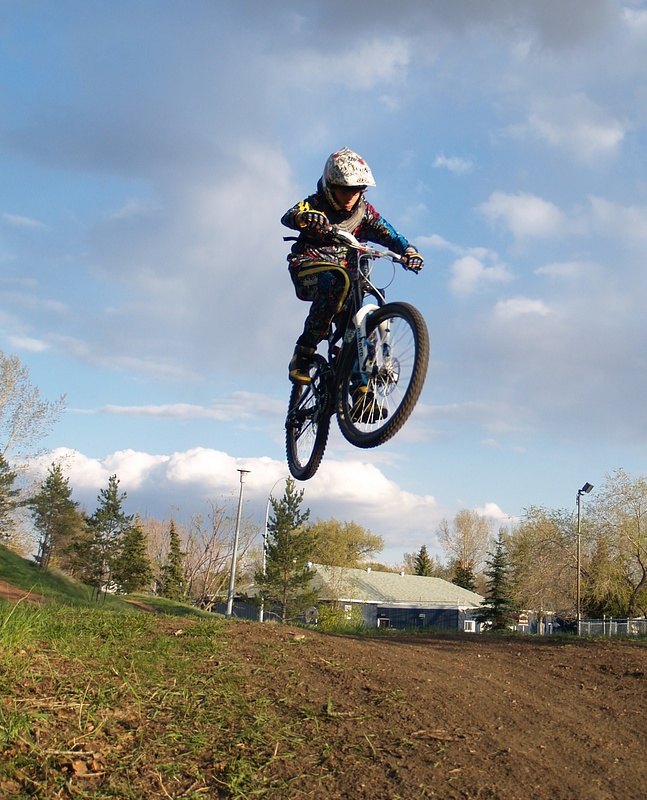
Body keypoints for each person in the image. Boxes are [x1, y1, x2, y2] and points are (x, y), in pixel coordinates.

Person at [281, 147, 424, 412]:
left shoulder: (364, 212)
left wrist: (409, 251)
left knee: (360, 323)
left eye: (356, 191)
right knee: (337, 280)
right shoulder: (315, 204)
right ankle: (303, 353)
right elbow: (290, 216)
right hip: (310, 268)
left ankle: (360, 393)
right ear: (329, 186)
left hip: (350, 274)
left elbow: (391, 234)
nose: (349, 197)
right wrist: (306, 218)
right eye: (343, 190)